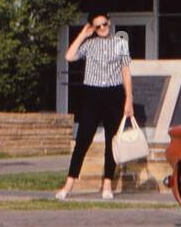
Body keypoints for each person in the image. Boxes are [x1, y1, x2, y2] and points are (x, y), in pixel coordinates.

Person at [56, 12, 133, 200]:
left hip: (114, 94)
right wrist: (83, 34)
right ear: (93, 27)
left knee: (111, 143)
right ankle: (68, 185)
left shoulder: (120, 43)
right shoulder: (89, 45)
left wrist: (128, 98)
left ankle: (107, 184)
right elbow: (69, 56)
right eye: (97, 26)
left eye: (104, 24)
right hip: (92, 94)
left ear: (109, 22)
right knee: (83, 141)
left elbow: (125, 71)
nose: (102, 28)